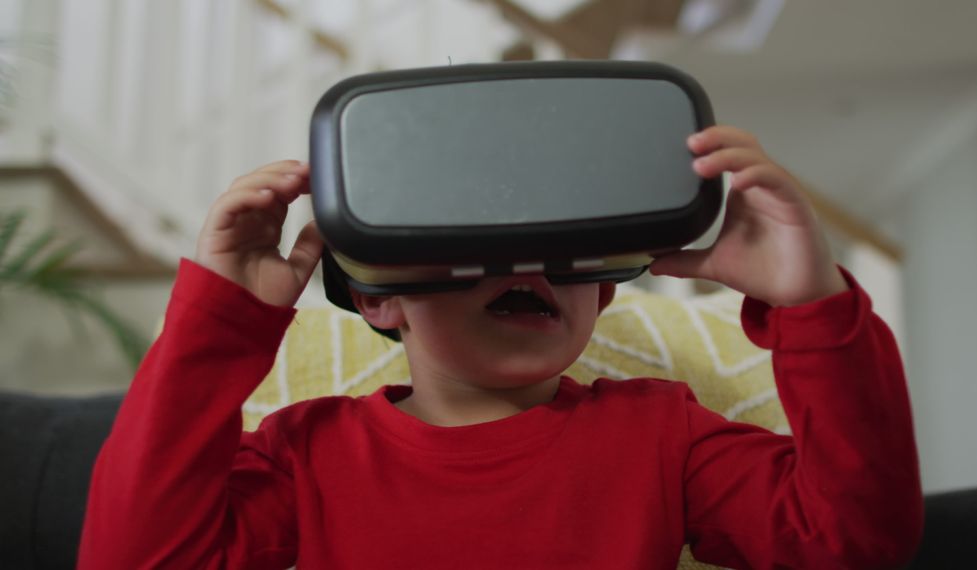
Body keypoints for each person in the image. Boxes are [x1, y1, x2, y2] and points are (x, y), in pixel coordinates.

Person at [78, 125, 923, 569]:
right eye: (468, 240)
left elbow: (852, 541)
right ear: (375, 297)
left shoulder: (664, 432)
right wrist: (220, 320)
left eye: (562, 248)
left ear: (603, 287)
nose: (525, 263)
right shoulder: (311, 452)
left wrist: (810, 304)